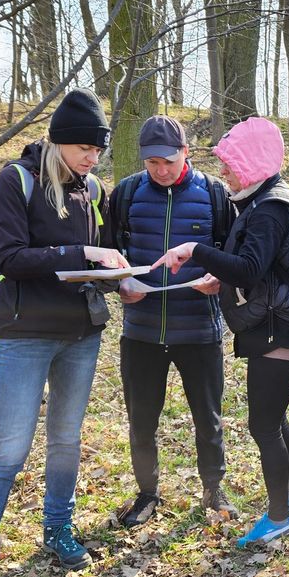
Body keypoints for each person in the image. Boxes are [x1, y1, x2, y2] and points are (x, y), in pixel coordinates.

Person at [0, 89, 129, 577]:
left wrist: (122, 280)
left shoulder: (93, 190)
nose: (92, 157)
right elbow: (12, 259)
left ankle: (57, 528)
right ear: (59, 142)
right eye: (84, 148)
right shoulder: (14, 181)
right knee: (7, 451)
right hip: (24, 334)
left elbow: (99, 261)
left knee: (66, 439)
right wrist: (83, 252)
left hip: (81, 334)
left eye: (98, 149)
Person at [150, 117, 289, 548]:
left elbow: (249, 269)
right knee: (274, 419)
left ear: (252, 162)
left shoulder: (270, 209)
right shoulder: (264, 201)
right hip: (277, 326)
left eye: (230, 163)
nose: (223, 171)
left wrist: (196, 251)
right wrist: (220, 275)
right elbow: (260, 268)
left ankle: (278, 517)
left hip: (280, 330)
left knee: (264, 426)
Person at [110, 114, 238, 526]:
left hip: (199, 329)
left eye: (169, 160)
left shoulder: (215, 194)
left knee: (208, 416)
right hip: (141, 331)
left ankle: (213, 489)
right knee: (141, 419)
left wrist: (220, 278)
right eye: (152, 162)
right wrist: (120, 283)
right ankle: (147, 494)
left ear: (186, 152)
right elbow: (108, 252)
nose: (161, 170)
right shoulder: (126, 193)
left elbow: (235, 256)